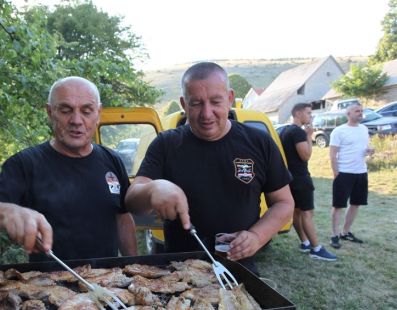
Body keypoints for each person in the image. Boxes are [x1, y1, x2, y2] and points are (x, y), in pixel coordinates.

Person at [124, 62, 294, 276]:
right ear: (183, 104)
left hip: (239, 272)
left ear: (230, 99)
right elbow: (132, 201)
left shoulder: (259, 142)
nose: (206, 113)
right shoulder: (165, 144)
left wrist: (257, 237)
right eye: (196, 103)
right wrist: (152, 189)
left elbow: (284, 202)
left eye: (215, 102)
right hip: (179, 276)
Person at [0, 76, 137, 262]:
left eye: (87, 111)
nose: (76, 120)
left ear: (98, 114)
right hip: (49, 285)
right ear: (50, 113)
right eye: (65, 111)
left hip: (104, 284)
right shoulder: (26, 163)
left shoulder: (112, 160)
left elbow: (123, 219)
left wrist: (134, 267)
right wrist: (8, 212)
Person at [280, 103, 338, 261]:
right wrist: (308, 135)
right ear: (298, 114)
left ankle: (305, 243)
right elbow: (305, 155)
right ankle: (316, 248)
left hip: (290, 179)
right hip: (301, 179)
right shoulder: (298, 132)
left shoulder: (284, 130)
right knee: (307, 213)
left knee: (297, 213)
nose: (310, 116)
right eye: (308, 113)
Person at [329, 102, 374, 249]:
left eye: (361, 111)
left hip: (361, 172)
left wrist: (369, 153)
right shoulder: (339, 131)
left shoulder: (364, 129)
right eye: (357, 111)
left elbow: (363, 149)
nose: (360, 113)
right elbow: (333, 154)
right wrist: (336, 172)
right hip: (344, 173)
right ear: (348, 114)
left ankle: (345, 232)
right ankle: (334, 235)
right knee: (338, 205)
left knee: (356, 203)